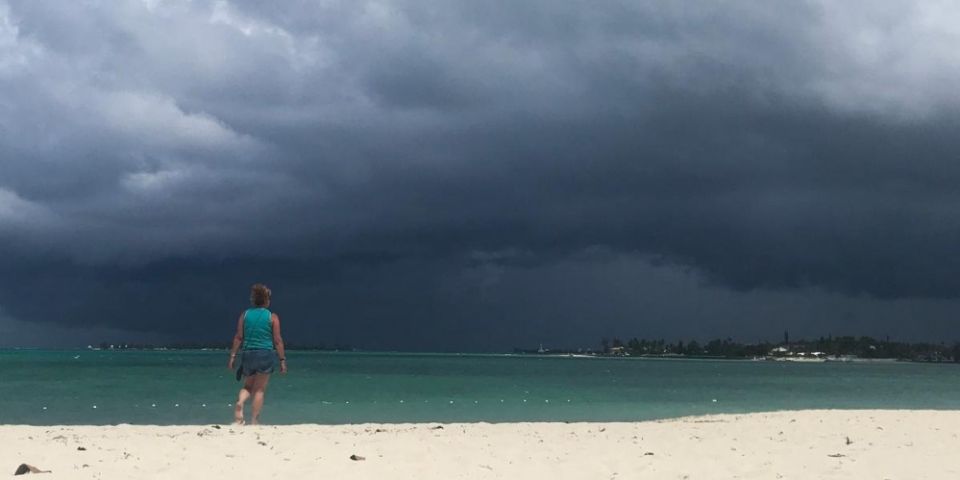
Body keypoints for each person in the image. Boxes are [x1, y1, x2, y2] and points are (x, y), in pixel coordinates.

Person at [228, 283, 287, 425]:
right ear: (267, 300)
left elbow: (238, 337)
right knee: (259, 389)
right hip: (265, 354)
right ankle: (254, 421)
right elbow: (277, 340)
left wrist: (232, 357)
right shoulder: (272, 317)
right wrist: (282, 360)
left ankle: (240, 402)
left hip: (248, 353)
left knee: (247, 386)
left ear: (253, 300)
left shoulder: (245, 315)